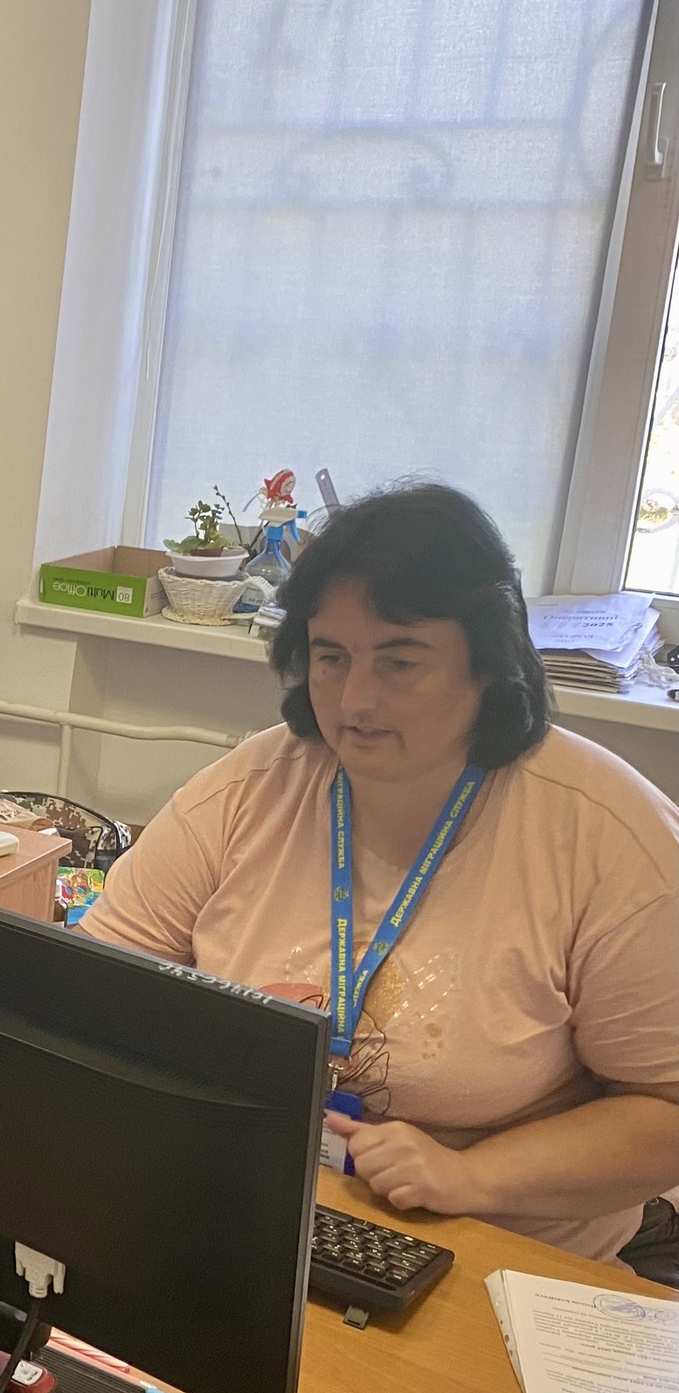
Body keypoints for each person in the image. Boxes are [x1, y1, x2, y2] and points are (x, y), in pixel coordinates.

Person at [82, 483, 678, 1283]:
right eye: (331, 657)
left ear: (489, 664)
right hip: (262, 1219)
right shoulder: (250, 788)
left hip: (507, 1260)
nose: (355, 700)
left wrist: (472, 1175)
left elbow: (666, 1113)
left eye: (400, 661)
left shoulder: (608, 835)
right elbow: (91, 992)